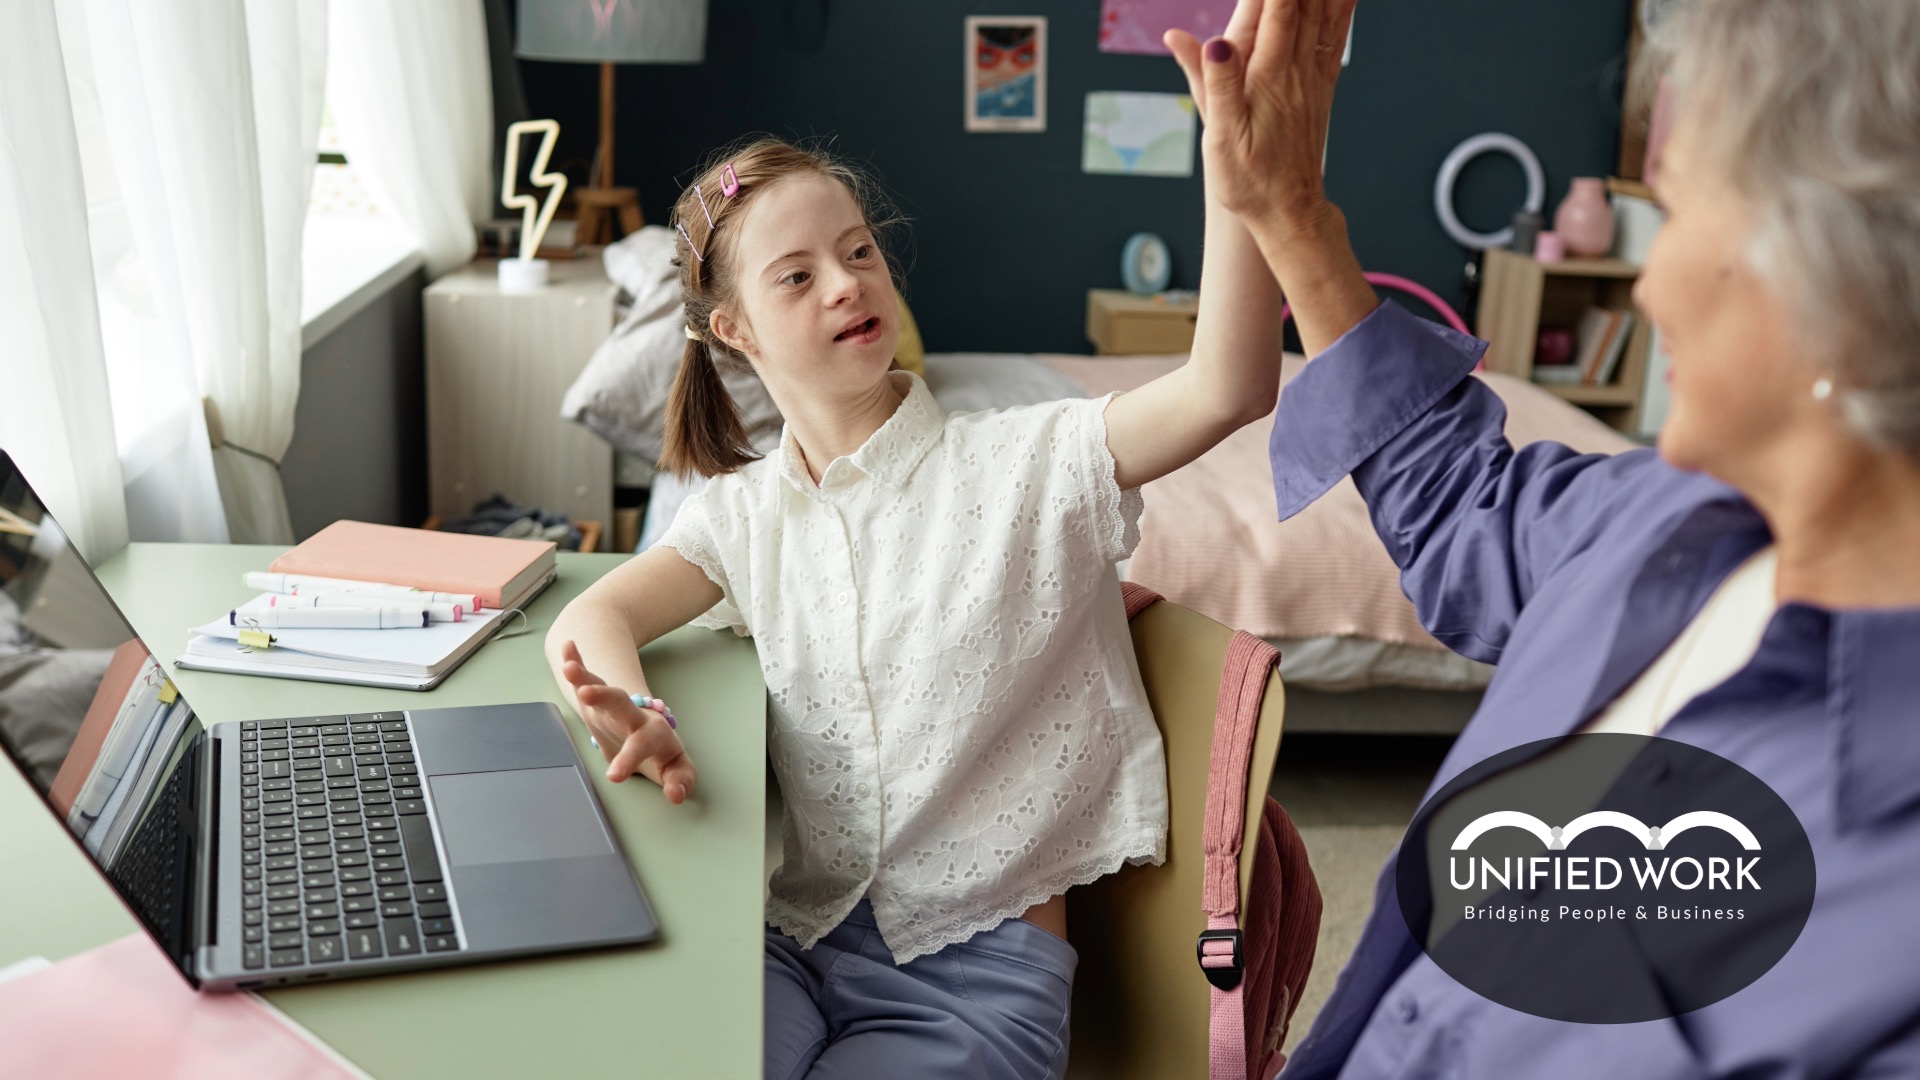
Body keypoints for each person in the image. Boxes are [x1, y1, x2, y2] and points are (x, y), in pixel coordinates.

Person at [1167, 0, 1920, 1074]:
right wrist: (1292, 213)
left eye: (1682, 210)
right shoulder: (1669, 519)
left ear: (1834, 278)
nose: (1648, 285)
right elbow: (1459, 499)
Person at [543, 133, 1285, 1077]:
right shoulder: (741, 515)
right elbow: (591, 618)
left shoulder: (1027, 463)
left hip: (975, 987)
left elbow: (1229, 386)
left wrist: (1242, 177)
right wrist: (636, 715)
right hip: (794, 943)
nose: (848, 283)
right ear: (734, 329)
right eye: (797, 278)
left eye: (858, 252)